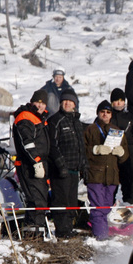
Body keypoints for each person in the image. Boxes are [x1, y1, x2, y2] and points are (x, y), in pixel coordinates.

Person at [84, 100, 129, 240]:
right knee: (98, 209)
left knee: (106, 208)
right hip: (95, 175)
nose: (105, 114)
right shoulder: (90, 130)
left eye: (108, 112)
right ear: (98, 113)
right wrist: (95, 149)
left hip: (112, 176)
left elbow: (125, 156)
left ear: (111, 115)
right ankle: (101, 237)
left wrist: (121, 153)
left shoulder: (116, 131)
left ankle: (102, 234)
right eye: (102, 112)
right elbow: (82, 152)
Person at [47, 88, 85, 238]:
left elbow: (81, 146)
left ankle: (68, 228)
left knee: (71, 200)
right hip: (60, 170)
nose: (68, 104)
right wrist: (60, 165)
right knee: (61, 200)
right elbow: (53, 146)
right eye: (65, 101)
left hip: (74, 169)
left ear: (75, 104)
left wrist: (84, 165)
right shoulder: (55, 120)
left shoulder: (76, 122)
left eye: (70, 101)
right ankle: (61, 230)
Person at [12, 89, 51, 231]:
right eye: (37, 102)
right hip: (30, 165)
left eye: (43, 103)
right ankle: (35, 233)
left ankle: (33, 229)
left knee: (40, 199)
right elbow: (26, 141)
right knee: (37, 200)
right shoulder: (25, 116)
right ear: (32, 102)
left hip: (41, 164)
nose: (40, 106)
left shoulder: (40, 118)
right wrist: (36, 161)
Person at [110, 88, 133, 205]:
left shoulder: (130, 117)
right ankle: (110, 206)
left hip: (129, 153)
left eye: (121, 100)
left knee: (130, 182)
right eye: (116, 101)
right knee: (112, 182)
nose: (119, 103)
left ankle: (131, 206)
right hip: (112, 153)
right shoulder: (108, 116)